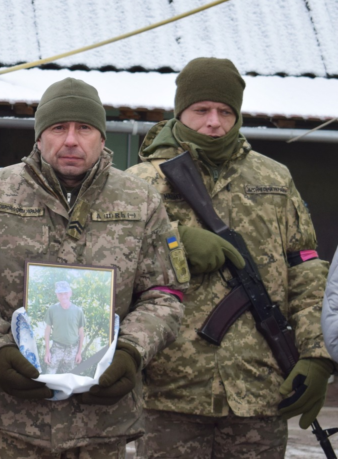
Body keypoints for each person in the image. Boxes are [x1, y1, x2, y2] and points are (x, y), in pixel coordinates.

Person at [0, 77, 186, 458]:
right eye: (57, 128)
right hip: (15, 420)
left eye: (84, 128)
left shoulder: (140, 202)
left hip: (102, 423)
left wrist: (132, 351)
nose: (71, 140)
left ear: (102, 138)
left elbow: (165, 293)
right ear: (38, 138)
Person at [127, 58, 332, 459]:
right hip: (169, 391)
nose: (214, 122)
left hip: (258, 389)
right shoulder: (141, 183)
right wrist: (174, 241)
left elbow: (305, 268)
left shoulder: (274, 179)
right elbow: (113, 266)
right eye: (201, 110)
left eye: (225, 111)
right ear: (180, 111)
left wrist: (317, 356)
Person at [43, 281, 86, 375]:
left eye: (65, 293)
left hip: (72, 348)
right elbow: (47, 331)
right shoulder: (52, 310)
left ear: (70, 293)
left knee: (68, 376)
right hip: (56, 347)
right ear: (56, 295)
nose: (63, 296)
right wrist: (47, 352)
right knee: (49, 374)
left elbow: (81, 333)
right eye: (60, 293)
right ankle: (48, 390)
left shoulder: (78, 311)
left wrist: (79, 353)